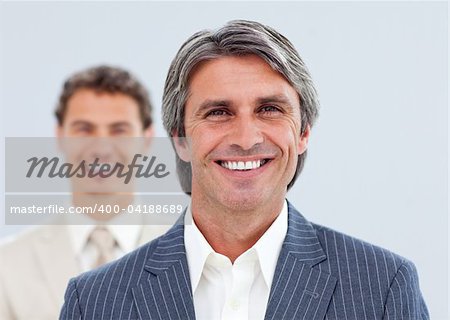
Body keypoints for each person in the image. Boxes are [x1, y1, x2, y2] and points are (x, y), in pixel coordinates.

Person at [59, 21, 429, 320]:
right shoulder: (93, 302)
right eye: (218, 112)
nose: (247, 138)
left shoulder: (382, 287)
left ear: (302, 133)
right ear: (180, 140)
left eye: (269, 109)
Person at [0, 65, 169, 320]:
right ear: (60, 136)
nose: (101, 147)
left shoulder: (190, 251)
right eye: (84, 129)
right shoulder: (8, 264)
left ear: (147, 139)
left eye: (119, 130)